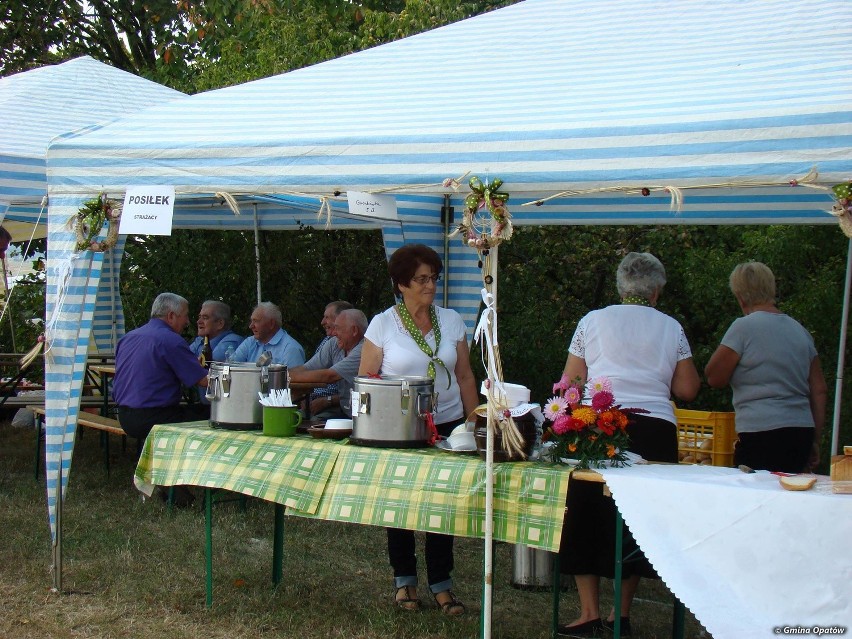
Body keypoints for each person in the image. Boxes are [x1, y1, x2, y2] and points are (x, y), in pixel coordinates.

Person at [557, 252, 700, 638]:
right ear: (656, 291)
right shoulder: (672, 327)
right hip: (654, 429)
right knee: (635, 520)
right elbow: (687, 388)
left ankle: (588, 612)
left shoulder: (593, 320)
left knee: (586, 512)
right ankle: (620, 614)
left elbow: (570, 383)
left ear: (622, 287)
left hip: (600, 425)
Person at [358, 243, 478, 617]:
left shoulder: (452, 320)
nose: (430, 286)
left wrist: (473, 421)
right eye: (422, 279)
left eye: (434, 278)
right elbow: (367, 378)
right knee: (402, 505)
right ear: (401, 284)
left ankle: (442, 586)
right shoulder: (382, 324)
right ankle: (404, 582)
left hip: (449, 425)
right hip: (402, 428)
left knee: (442, 505)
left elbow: (464, 374)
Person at [705, 261, 827, 473]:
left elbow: (714, 378)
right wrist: (815, 439)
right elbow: (819, 389)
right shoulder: (800, 331)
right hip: (801, 431)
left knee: (756, 495)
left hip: (760, 431)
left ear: (740, 297)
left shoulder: (743, 328)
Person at [113, 293, 209, 445]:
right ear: (171, 316)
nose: (188, 321)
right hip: (154, 417)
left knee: (193, 411)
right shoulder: (170, 340)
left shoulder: (128, 337)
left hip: (124, 415)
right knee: (212, 415)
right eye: (185, 316)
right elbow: (204, 381)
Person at [289, 308, 366, 419]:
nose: (334, 333)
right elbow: (308, 368)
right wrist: (279, 375)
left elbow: (329, 376)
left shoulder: (364, 348)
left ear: (354, 330)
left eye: (338, 329)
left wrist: (284, 377)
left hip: (364, 415)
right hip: (347, 412)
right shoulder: (335, 343)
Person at [188, 300, 244, 413]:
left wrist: (189, 366)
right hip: (208, 407)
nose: (199, 321)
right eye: (199, 317)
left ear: (220, 324)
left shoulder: (232, 342)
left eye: (205, 317)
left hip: (226, 410)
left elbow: (207, 363)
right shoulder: (200, 340)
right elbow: (183, 361)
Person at [307, 300, 353, 411]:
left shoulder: (359, 346)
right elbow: (307, 369)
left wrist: (328, 400)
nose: (322, 322)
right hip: (314, 401)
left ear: (341, 319)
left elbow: (329, 376)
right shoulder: (330, 341)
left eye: (327, 317)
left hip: (336, 408)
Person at [230, 302, 305, 367]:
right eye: (251, 321)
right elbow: (231, 366)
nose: (251, 326)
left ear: (271, 324)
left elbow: (294, 380)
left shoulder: (291, 349)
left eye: (256, 321)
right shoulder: (250, 342)